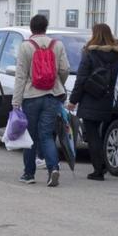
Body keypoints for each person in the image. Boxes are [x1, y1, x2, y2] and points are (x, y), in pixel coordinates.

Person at [12, 14, 70, 187]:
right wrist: (59, 84)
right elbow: (65, 69)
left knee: (30, 136)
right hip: (52, 95)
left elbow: (21, 75)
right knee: (46, 135)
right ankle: (53, 168)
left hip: (31, 96)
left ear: (31, 28)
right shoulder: (57, 45)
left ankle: (29, 174)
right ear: (46, 27)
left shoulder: (26, 46)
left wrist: (16, 101)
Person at [68, 24, 118, 180]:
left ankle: (98, 169)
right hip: (106, 98)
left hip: (90, 98)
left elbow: (81, 79)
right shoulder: (116, 55)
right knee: (99, 133)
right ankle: (101, 165)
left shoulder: (89, 53)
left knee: (92, 134)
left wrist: (73, 100)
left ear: (95, 34)